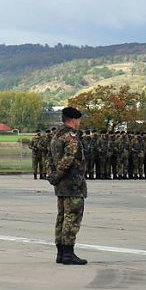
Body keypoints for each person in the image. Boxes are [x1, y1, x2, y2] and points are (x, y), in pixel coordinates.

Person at [47, 107, 88, 265]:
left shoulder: (56, 136)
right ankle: (68, 254)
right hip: (72, 183)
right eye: (78, 120)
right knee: (72, 218)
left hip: (61, 184)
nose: (79, 123)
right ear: (73, 120)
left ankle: (61, 253)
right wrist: (58, 175)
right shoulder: (71, 137)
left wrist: (52, 175)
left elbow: (49, 157)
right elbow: (69, 158)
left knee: (62, 218)